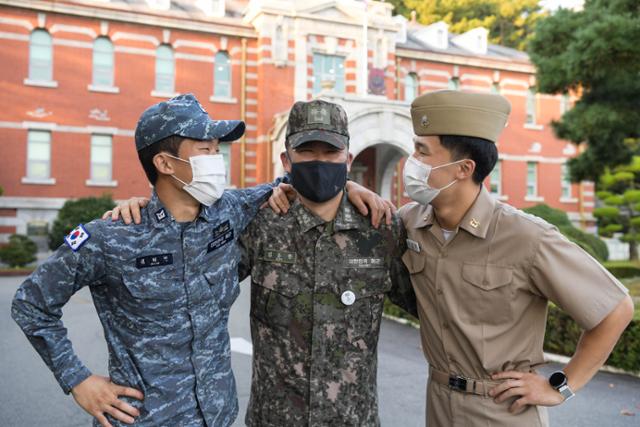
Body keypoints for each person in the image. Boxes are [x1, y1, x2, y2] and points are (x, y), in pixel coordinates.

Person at [108, 100, 417, 426]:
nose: (319, 161)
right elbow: (189, 277)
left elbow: (433, 311)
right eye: (307, 152)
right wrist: (152, 214)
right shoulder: (259, 223)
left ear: (348, 159)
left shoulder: (380, 227)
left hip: (354, 418)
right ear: (287, 160)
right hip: (274, 418)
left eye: (330, 153)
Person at [12, 93, 289, 427]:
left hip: (217, 415)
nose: (217, 159)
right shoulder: (108, 237)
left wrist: (349, 188)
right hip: (147, 419)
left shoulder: (228, 211)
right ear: (165, 163)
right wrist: (77, 380)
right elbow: (31, 303)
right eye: (205, 149)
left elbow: (289, 185)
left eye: (218, 149)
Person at [398, 90, 634, 427]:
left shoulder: (527, 237)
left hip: (502, 412)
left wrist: (561, 386)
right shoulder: (412, 222)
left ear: (464, 168)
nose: (412, 161)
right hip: (438, 405)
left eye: (423, 151)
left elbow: (616, 309)